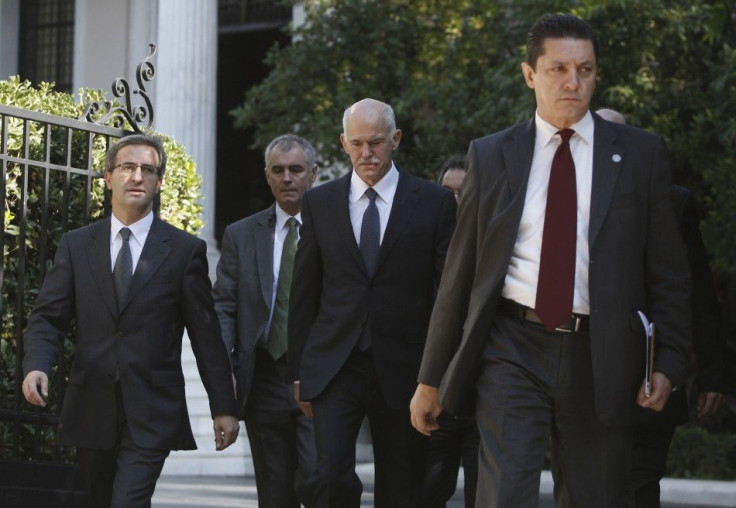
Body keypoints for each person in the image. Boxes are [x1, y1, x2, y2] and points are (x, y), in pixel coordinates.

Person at [410, 13, 692, 508]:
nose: (573, 82)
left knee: (594, 496)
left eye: (585, 69)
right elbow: (460, 275)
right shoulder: (492, 154)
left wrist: (668, 362)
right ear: (529, 74)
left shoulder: (641, 156)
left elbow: (669, 271)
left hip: (602, 354)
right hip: (511, 345)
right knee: (505, 493)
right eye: (558, 68)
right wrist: (430, 379)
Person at [21, 133, 239, 507]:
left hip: (152, 410)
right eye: (127, 167)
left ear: (158, 182)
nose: (137, 176)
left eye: (147, 169)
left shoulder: (185, 251)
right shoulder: (77, 245)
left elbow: (206, 335)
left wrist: (223, 407)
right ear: (108, 178)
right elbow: (48, 316)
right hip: (91, 406)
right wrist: (36, 365)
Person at [288, 98, 457, 507]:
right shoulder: (319, 202)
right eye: (358, 143)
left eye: (377, 142)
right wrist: (300, 373)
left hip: (406, 368)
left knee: (403, 485)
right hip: (335, 366)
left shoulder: (433, 202)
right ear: (344, 143)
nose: (367, 154)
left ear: (395, 139)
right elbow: (305, 292)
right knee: (327, 476)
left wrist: (437, 374)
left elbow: (448, 293)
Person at [597, 107, 727, 507]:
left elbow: (695, 292)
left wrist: (713, 372)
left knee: (639, 482)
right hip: (585, 371)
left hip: (650, 368)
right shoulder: (565, 194)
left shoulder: (672, 202)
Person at [212, 134, 319, 507]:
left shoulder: (334, 229)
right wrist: (224, 366)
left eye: (296, 169)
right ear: (267, 176)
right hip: (264, 377)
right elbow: (224, 306)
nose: (287, 178)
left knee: (320, 479)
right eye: (278, 170)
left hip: (319, 376)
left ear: (313, 174)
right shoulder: (241, 235)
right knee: (275, 492)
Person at [419, 155, 478, 508]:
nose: (454, 201)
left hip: (482, 399)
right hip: (433, 396)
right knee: (427, 494)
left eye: (463, 192)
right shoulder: (419, 248)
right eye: (446, 192)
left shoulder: (494, 248)